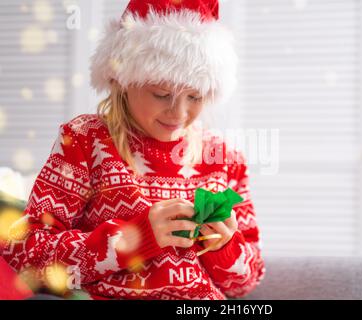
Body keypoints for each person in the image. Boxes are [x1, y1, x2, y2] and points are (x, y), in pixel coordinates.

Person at [1, 0, 265, 300]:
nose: (179, 113)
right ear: (122, 80)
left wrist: (225, 246)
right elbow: (25, 256)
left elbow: (245, 283)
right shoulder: (86, 141)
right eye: (162, 94)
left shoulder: (223, 158)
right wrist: (131, 240)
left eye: (195, 96)